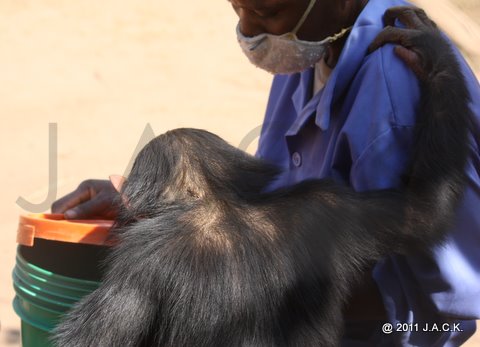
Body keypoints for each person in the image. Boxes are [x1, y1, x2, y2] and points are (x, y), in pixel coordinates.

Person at [52, 0, 480, 345]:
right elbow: (427, 211)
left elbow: (448, 300)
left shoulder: (392, 86)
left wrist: (238, 289)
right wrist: (445, 78)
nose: (251, 32)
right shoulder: (318, 205)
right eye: (237, 9)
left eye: (267, 12)